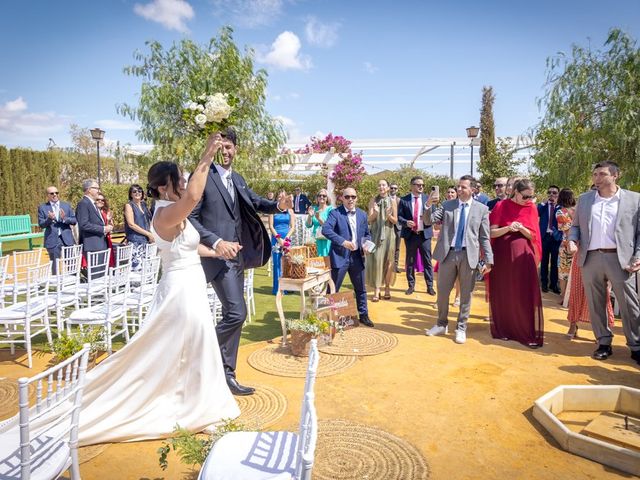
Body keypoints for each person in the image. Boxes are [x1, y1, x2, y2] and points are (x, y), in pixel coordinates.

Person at [32, 134, 240, 446]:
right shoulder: (164, 212)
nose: (185, 180)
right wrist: (207, 155)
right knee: (188, 343)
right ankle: (192, 406)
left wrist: (218, 251)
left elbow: (188, 248)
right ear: (164, 185)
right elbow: (195, 197)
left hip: (191, 283)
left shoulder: (174, 210)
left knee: (196, 345)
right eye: (179, 177)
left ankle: (198, 403)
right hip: (180, 292)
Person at [189, 127, 292, 396]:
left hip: (238, 257)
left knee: (232, 316)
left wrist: (279, 206)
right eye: (220, 146)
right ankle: (199, 353)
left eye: (229, 147)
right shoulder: (202, 177)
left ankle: (227, 375)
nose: (225, 151)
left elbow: (255, 202)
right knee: (237, 313)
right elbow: (191, 217)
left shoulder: (238, 178)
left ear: (236, 149)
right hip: (217, 257)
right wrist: (215, 242)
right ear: (212, 148)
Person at [567, 161, 640, 364]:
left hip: (620, 258)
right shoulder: (585, 200)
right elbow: (576, 227)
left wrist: (638, 255)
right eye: (595, 174)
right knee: (596, 302)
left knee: (629, 304)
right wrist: (572, 240)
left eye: (602, 174)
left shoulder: (634, 200)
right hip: (591, 258)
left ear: (615, 175)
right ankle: (603, 342)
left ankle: (636, 345)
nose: (596, 178)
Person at [424, 176, 493, 344]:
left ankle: (461, 327)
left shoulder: (482, 209)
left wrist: (489, 260)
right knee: (442, 292)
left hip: (468, 255)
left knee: (466, 295)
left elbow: (484, 237)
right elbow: (428, 220)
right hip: (447, 255)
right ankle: (441, 324)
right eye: (458, 187)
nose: (459, 190)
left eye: (463, 187)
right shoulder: (448, 205)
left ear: (473, 189)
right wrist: (428, 205)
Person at [488, 179, 544, 348]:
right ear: (516, 192)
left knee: (523, 292)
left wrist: (521, 229)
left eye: (531, 196)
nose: (528, 199)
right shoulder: (501, 206)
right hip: (503, 256)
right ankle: (504, 329)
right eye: (525, 196)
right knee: (504, 291)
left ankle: (525, 332)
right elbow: (492, 232)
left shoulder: (531, 208)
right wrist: (508, 228)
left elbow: (533, 236)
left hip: (523, 257)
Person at [322, 187, 374, 327]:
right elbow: (326, 230)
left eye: (353, 197)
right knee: (333, 289)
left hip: (357, 257)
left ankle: (363, 315)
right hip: (339, 256)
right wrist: (343, 242)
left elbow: (367, 234)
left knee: (361, 288)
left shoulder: (362, 215)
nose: (350, 199)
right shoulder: (335, 213)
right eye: (347, 197)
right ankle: (326, 318)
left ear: (356, 198)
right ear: (342, 198)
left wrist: (367, 245)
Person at [398, 176, 435, 296]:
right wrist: (406, 222)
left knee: (427, 261)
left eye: (423, 185)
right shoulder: (404, 200)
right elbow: (399, 217)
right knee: (410, 261)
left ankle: (430, 286)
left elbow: (433, 216)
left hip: (424, 235)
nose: (421, 187)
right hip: (411, 235)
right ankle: (411, 285)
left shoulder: (428, 199)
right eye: (418, 184)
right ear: (412, 185)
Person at [366, 179, 398, 301]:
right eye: (379, 185)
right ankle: (377, 289)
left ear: (388, 187)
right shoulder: (373, 201)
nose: (381, 187)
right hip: (376, 235)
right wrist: (376, 213)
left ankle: (388, 288)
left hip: (389, 235)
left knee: (388, 262)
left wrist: (389, 215)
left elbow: (395, 221)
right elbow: (369, 219)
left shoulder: (393, 201)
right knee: (377, 261)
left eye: (384, 185)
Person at [37, 186, 77, 274]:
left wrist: (64, 218)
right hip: (52, 239)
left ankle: (74, 281)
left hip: (66, 238)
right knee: (55, 265)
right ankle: (57, 284)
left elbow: (74, 221)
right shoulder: (42, 207)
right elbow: (41, 224)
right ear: (47, 195)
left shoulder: (66, 205)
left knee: (71, 263)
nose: (55, 195)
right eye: (52, 193)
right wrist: (49, 219)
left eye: (56, 193)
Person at [76, 179, 112, 266]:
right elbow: (84, 224)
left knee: (101, 274)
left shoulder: (92, 204)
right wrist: (103, 229)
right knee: (96, 276)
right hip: (92, 245)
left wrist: (107, 225)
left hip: (100, 243)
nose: (99, 191)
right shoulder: (84, 203)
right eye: (96, 188)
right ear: (89, 189)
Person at [538, 185, 562, 294]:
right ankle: (544, 282)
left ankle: (554, 284)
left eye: (554, 193)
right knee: (544, 261)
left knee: (554, 262)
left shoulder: (561, 207)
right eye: (550, 192)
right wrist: (544, 203)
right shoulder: (542, 206)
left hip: (556, 237)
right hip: (544, 236)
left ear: (558, 194)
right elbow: (536, 213)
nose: (551, 195)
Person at [268, 195, 295, 294]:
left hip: (287, 238)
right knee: (277, 264)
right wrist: (279, 240)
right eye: (280, 197)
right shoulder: (272, 210)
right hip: (276, 239)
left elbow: (292, 227)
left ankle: (287, 287)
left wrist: (286, 239)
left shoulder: (290, 211)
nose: (282, 199)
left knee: (287, 263)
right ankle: (278, 288)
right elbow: (271, 226)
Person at [124, 183, 154, 270]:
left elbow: (150, 220)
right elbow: (131, 224)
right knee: (136, 269)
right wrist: (148, 234)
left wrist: (151, 234)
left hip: (145, 240)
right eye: (134, 191)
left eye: (139, 191)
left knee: (147, 269)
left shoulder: (144, 205)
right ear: (131, 194)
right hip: (135, 241)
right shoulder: (129, 205)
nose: (137, 193)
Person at [555, 188, 576, 301]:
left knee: (563, 272)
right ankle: (571, 297)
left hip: (565, 244)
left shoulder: (560, 212)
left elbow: (565, 229)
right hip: (579, 244)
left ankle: (563, 296)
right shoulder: (578, 210)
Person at [305, 188, 333, 257]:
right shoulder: (313, 208)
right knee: (315, 261)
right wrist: (310, 216)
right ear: (317, 198)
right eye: (319, 195)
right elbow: (308, 225)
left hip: (326, 239)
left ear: (327, 198)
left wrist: (319, 218)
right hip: (316, 240)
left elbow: (329, 226)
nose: (321, 197)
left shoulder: (331, 209)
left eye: (324, 196)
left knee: (326, 261)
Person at [95, 193, 116, 268]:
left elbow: (111, 226)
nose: (100, 201)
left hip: (106, 239)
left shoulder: (106, 212)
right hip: (96, 239)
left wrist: (109, 220)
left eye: (102, 200)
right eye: (98, 200)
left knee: (107, 260)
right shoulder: (92, 212)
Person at [389, 183, 403, 273]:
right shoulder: (384, 199)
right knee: (387, 246)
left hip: (398, 226)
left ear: (397, 190)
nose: (393, 189)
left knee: (397, 247)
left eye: (395, 188)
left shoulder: (400, 200)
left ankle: (395, 266)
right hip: (387, 226)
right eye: (392, 188)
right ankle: (386, 266)